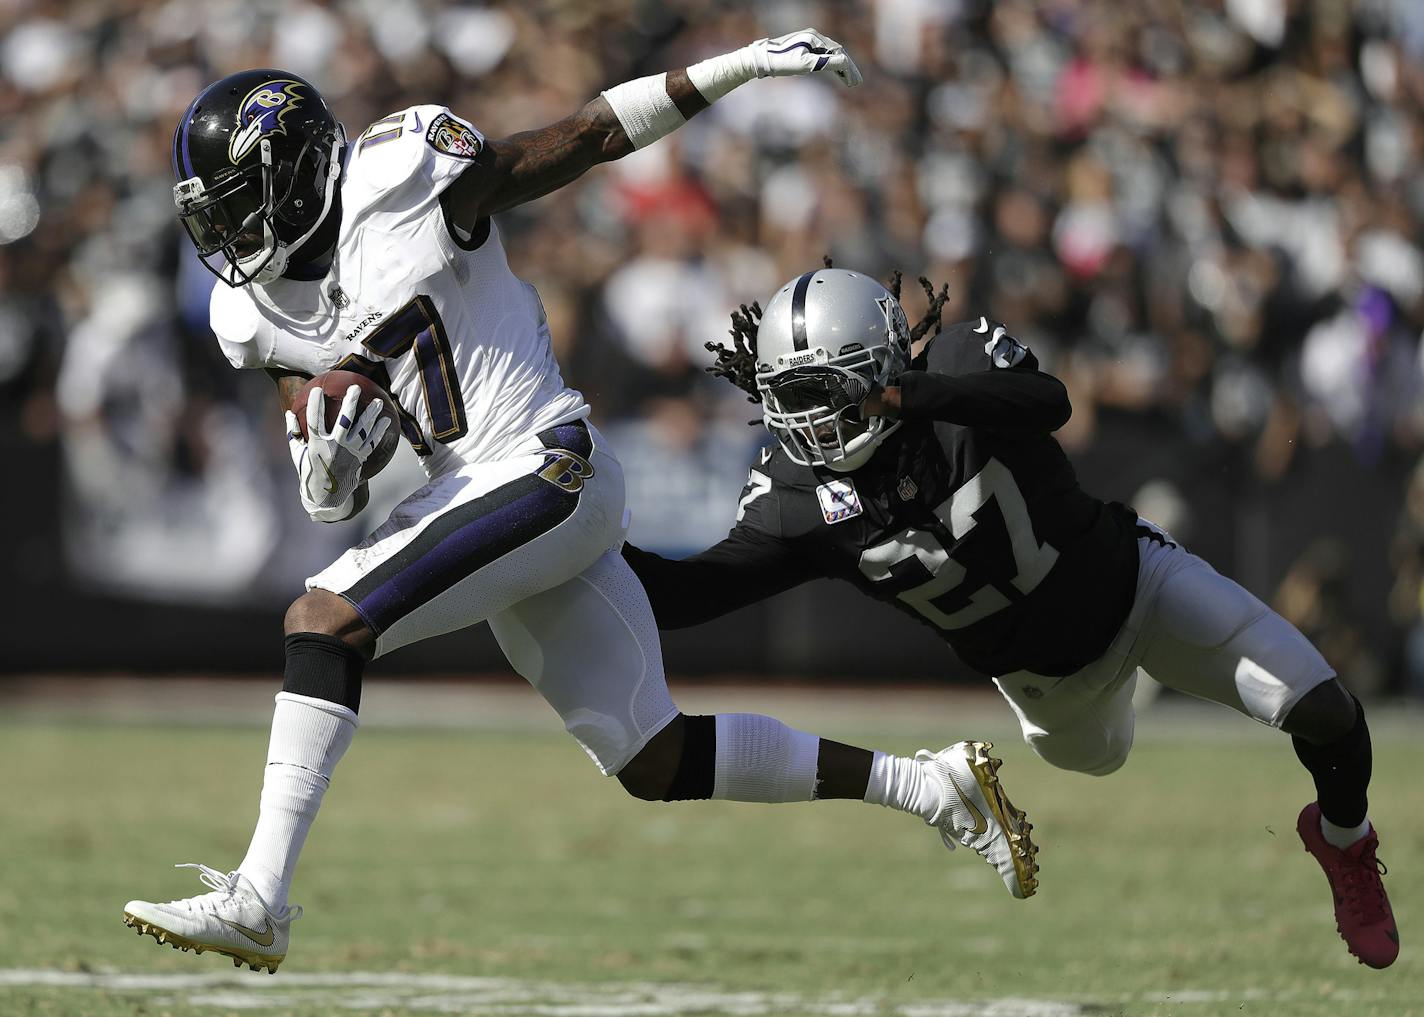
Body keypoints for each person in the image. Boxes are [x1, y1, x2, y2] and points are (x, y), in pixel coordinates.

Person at [122, 39, 1042, 976]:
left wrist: (735, 69)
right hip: (473, 490)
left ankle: (259, 898)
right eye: (214, 217)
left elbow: (590, 135)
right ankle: (930, 786)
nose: (230, 238)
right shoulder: (250, 313)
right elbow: (331, 479)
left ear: (301, 168)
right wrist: (330, 466)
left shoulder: (402, 176)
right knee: (654, 757)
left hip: (546, 461)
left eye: (240, 204)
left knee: (323, 619)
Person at [622, 266, 1400, 970]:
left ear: (887, 368)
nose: (813, 421)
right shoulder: (797, 498)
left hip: (1140, 586)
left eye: (832, 390)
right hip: (1047, 689)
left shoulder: (958, 364)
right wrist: (585, 556)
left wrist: (911, 400)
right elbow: (695, 594)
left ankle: (1345, 843)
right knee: (1102, 759)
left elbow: (1047, 401)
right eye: (792, 398)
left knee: (1324, 707)